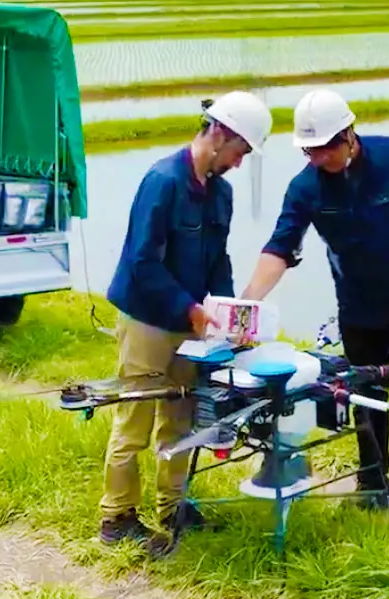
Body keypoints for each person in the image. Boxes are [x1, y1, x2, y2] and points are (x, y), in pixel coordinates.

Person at [239, 89, 389, 522]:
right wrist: (249, 300)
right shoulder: (305, 187)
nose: (317, 158)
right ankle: (373, 480)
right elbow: (280, 247)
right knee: (366, 396)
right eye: (309, 150)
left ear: (349, 134)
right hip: (360, 309)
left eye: (325, 148)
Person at [99, 90, 272, 557]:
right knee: (135, 418)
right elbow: (143, 262)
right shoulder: (163, 181)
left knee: (180, 415)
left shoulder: (221, 194)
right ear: (219, 134)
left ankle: (172, 506)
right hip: (149, 320)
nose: (239, 164)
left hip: (192, 325)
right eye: (239, 152)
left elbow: (218, 258)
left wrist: (230, 311)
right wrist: (191, 309)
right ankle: (117, 518)